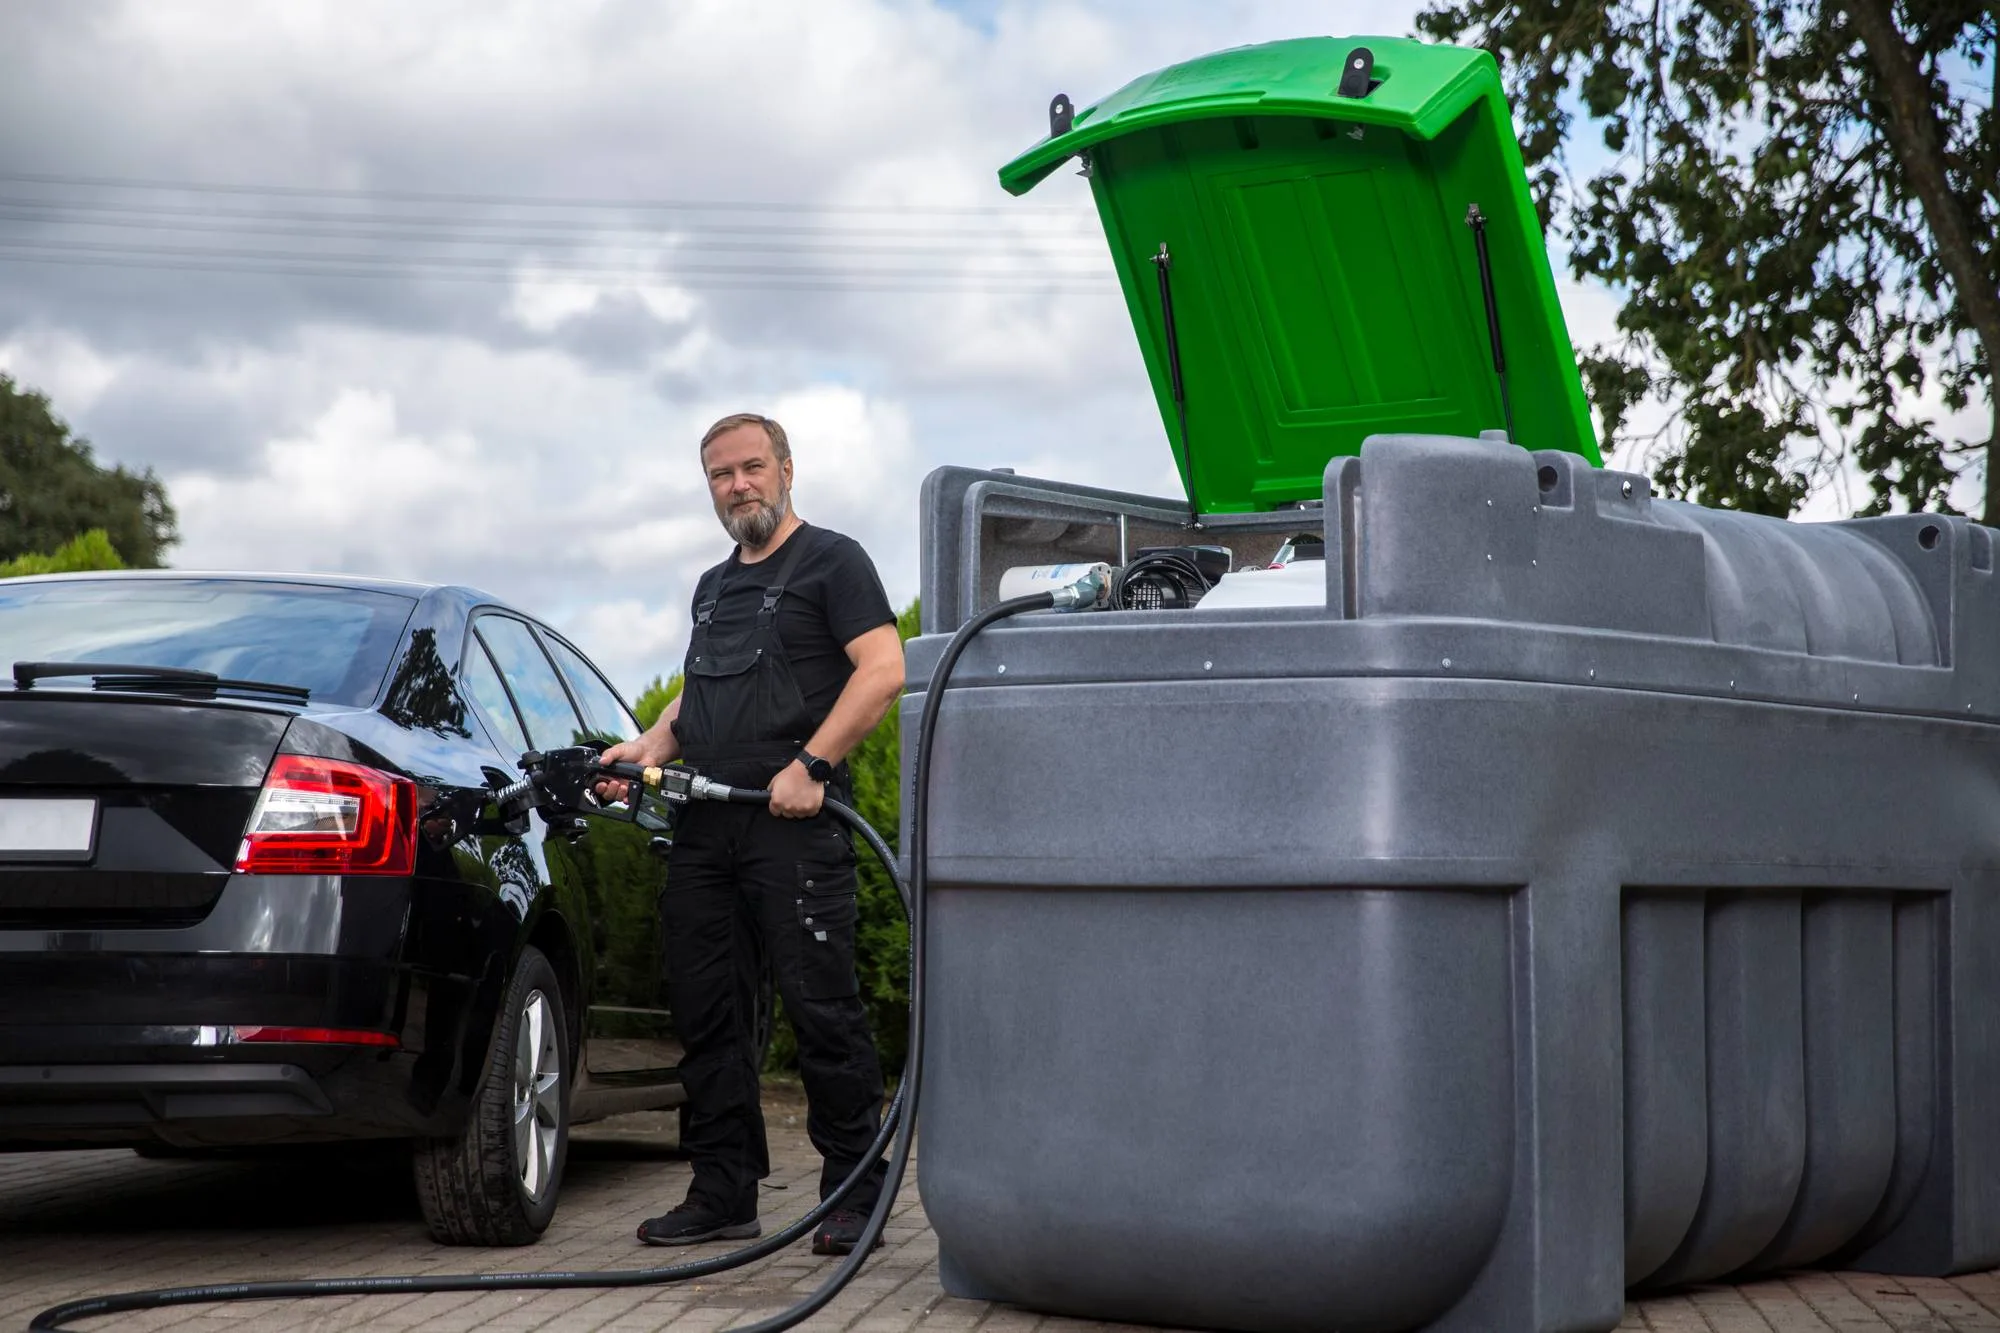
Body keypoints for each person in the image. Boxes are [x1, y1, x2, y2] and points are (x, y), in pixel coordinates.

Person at [598, 412, 905, 1256]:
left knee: (822, 1009)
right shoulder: (711, 586)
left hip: (796, 827)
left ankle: (854, 1193)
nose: (738, 485)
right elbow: (701, 696)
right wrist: (648, 747)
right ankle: (722, 1191)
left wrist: (811, 764)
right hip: (707, 828)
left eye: (752, 467)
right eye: (721, 474)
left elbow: (884, 669)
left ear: (787, 470)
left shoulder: (834, 561)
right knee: (709, 1013)